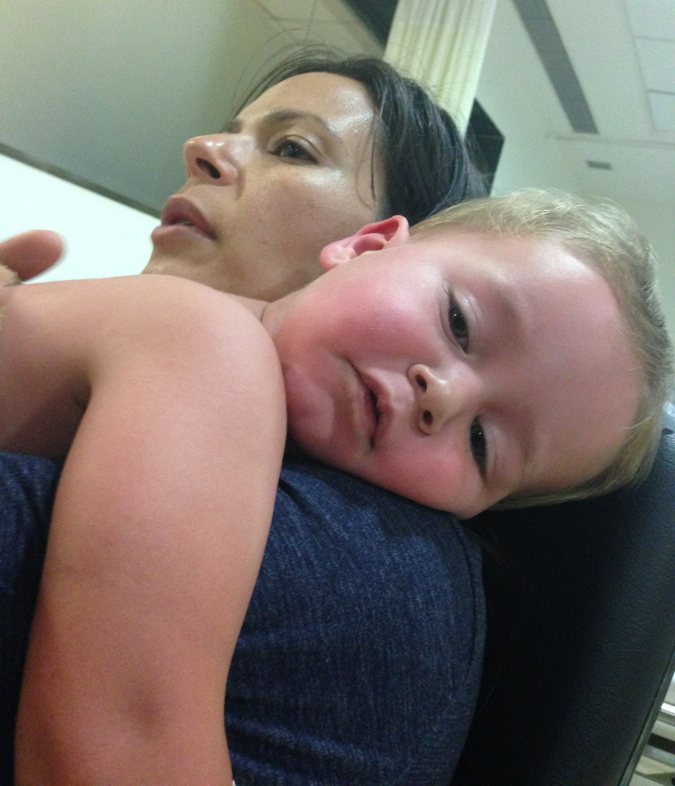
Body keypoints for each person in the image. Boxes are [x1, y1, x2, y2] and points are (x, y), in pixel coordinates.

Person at [1, 188, 672, 786]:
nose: (443, 396)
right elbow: (116, 745)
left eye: (481, 443)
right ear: (364, 246)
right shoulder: (209, 350)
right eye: (459, 322)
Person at [0, 52, 493, 786]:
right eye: (233, 131)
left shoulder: (363, 558)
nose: (203, 149)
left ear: (375, 248)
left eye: (292, 149)